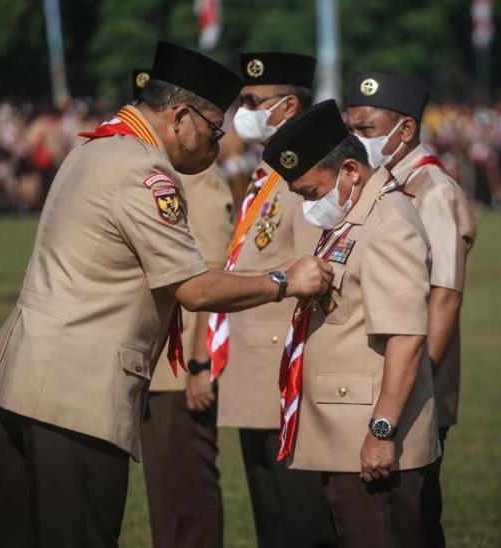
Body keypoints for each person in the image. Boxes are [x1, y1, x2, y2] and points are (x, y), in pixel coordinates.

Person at [0, 41, 332, 548]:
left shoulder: (94, 147)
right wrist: (284, 281)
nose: (217, 145)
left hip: (21, 381)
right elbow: (195, 286)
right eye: (214, 130)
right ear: (180, 116)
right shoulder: (144, 171)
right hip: (74, 396)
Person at [262, 99, 441, 548]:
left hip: (372, 442)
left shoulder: (386, 225)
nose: (308, 205)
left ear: (350, 171)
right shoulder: (352, 218)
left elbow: (406, 337)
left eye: (310, 192)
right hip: (344, 437)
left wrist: (382, 431)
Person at [208, 51, 335, 548]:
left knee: (299, 522)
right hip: (254, 374)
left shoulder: (304, 180)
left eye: (252, 101)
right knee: (271, 522)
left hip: (283, 373)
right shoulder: (268, 176)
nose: (241, 111)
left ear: (286, 108)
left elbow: (313, 277)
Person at [346, 71, 477, 547]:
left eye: (367, 130)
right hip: (392, 381)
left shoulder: (432, 190)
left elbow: (444, 295)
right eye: (352, 130)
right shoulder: (387, 182)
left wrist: (419, 382)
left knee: (412, 518)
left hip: (415, 386)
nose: (357, 141)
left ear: (405, 130)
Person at [131, 68, 234, 548]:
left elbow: (215, 275)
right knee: (165, 497)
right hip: (158, 365)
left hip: (182, 371)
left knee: (186, 496)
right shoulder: (154, 172)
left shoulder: (200, 181)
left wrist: (201, 365)